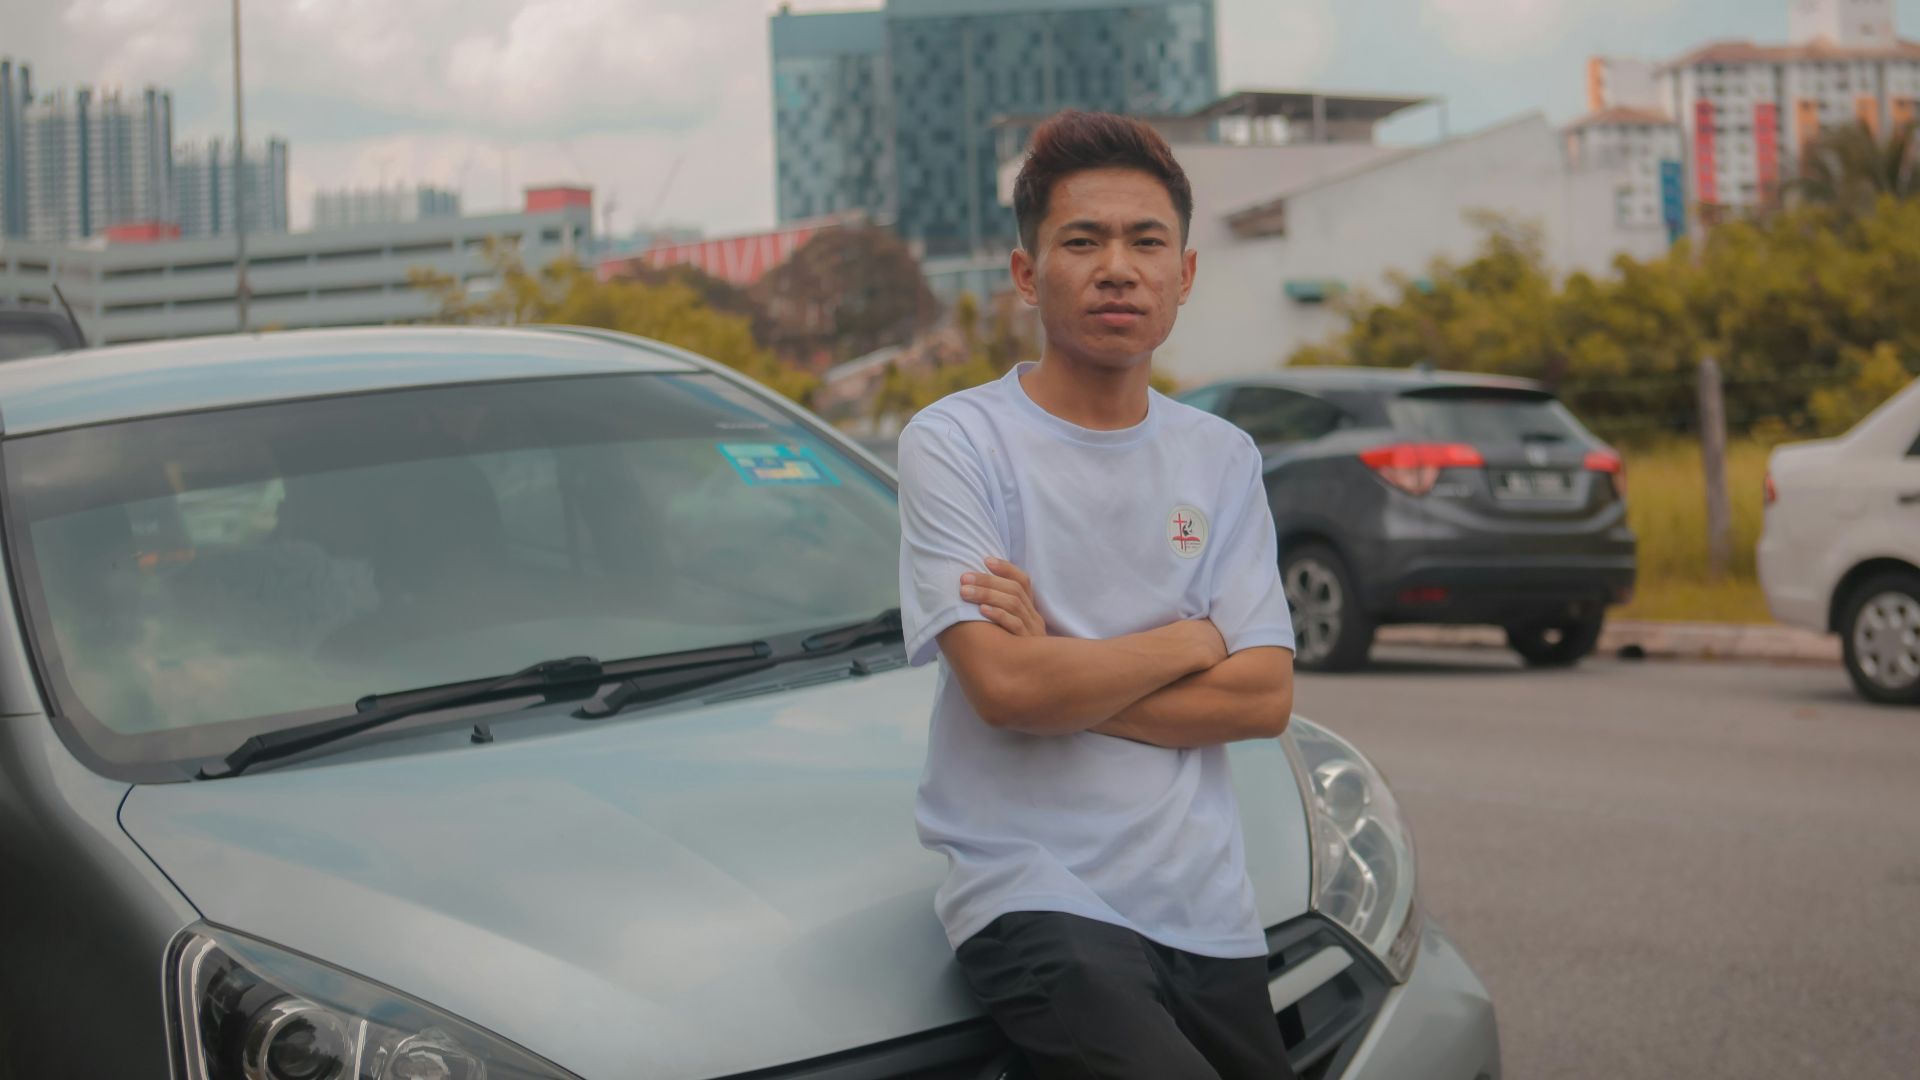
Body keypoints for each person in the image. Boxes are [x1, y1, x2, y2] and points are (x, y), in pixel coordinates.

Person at [894, 110, 1300, 1080]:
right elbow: (1007, 692)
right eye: (1083, 240)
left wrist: (1064, 667)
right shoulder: (958, 444)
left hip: (1209, 907)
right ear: (1028, 275)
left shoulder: (1221, 457)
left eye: (1146, 241)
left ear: (1184, 276)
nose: (1118, 266)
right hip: (1036, 896)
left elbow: (1264, 699)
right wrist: (1197, 639)